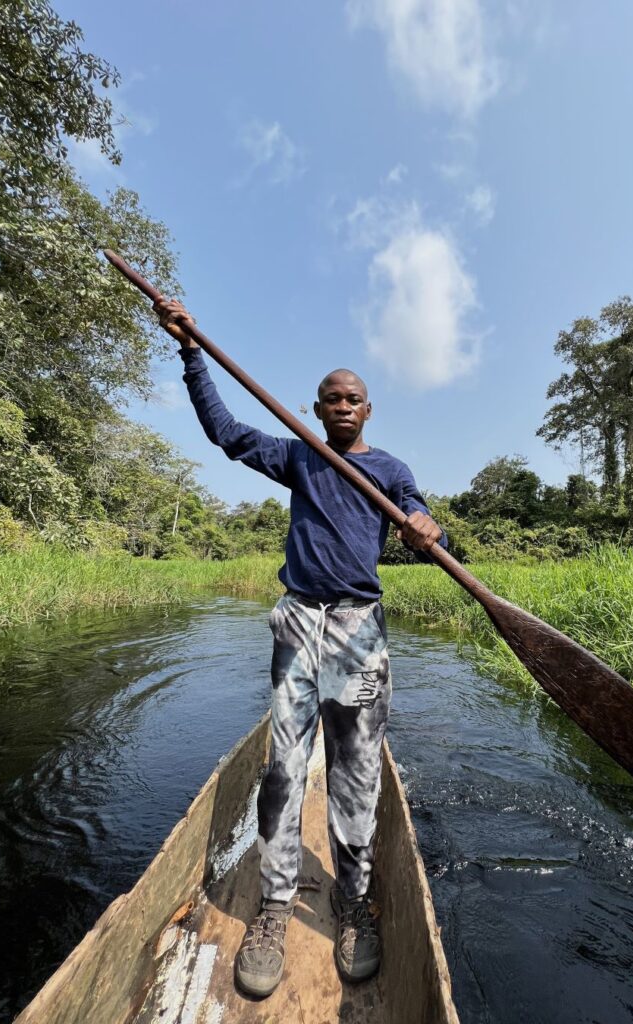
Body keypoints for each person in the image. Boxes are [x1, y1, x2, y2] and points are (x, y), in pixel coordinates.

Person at [155, 298, 446, 998]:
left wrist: (422, 530)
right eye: (331, 399)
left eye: (353, 398)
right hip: (296, 625)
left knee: (354, 771)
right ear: (316, 410)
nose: (342, 406)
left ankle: (352, 903)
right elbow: (225, 432)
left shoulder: (389, 468)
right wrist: (191, 352)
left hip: (358, 629)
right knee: (285, 768)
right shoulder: (297, 458)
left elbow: (418, 511)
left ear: (367, 410)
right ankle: (275, 904)